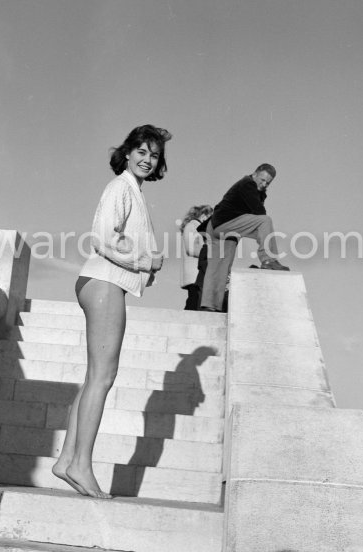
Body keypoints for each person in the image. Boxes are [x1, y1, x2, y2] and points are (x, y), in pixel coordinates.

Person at [52, 124, 171, 499]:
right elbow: (103, 237)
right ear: (128, 151)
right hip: (104, 283)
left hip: (104, 283)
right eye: (142, 151)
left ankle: (67, 459)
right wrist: (145, 260)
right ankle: (80, 465)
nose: (147, 159)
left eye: (154, 155)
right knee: (104, 377)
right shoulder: (120, 187)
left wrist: (145, 264)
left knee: (94, 378)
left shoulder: (132, 191)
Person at [200, 163, 289, 312]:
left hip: (217, 227)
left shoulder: (253, 187)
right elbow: (259, 212)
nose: (264, 184)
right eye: (262, 180)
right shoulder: (247, 184)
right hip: (226, 223)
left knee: (219, 267)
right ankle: (268, 259)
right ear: (255, 174)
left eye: (268, 183)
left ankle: (209, 306)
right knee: (265, 221)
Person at [179, 204, 213, 310]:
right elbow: (191, 249)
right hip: (194, 272)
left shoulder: (195, 228)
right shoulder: (192, 226)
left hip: (197, 272)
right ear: (204, 215)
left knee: (195, 299)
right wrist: (209, 252)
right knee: (194, 300)